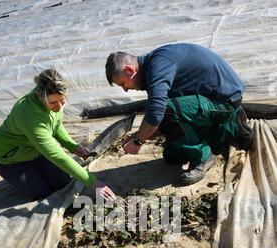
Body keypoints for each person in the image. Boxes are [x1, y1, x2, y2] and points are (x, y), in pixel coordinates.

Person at [105, 43, 254, 185]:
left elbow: (158, 113)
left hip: (224, 101)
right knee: (172, 156)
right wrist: (140, 135)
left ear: (130, 70)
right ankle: (228, 129)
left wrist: (138, 140)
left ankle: (204, 157)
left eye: (123, 84)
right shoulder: (152, 68)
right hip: (207, 98)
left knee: (165, 109)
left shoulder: (158, 66)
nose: (125, 90)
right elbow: (160, 117)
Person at [0, 68, 115, 201]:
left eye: (62, 100)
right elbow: (54, 154)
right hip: (11, 158)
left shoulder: (52, 97)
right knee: (41, 192)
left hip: (35, 150)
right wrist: (93, 182)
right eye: (53, 102)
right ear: (39, 95)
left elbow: (56, 124)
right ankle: (17, 176)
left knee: (63, 182)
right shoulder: (29, 116)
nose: (59, 106)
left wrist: (72, 146)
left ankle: (33, 173)